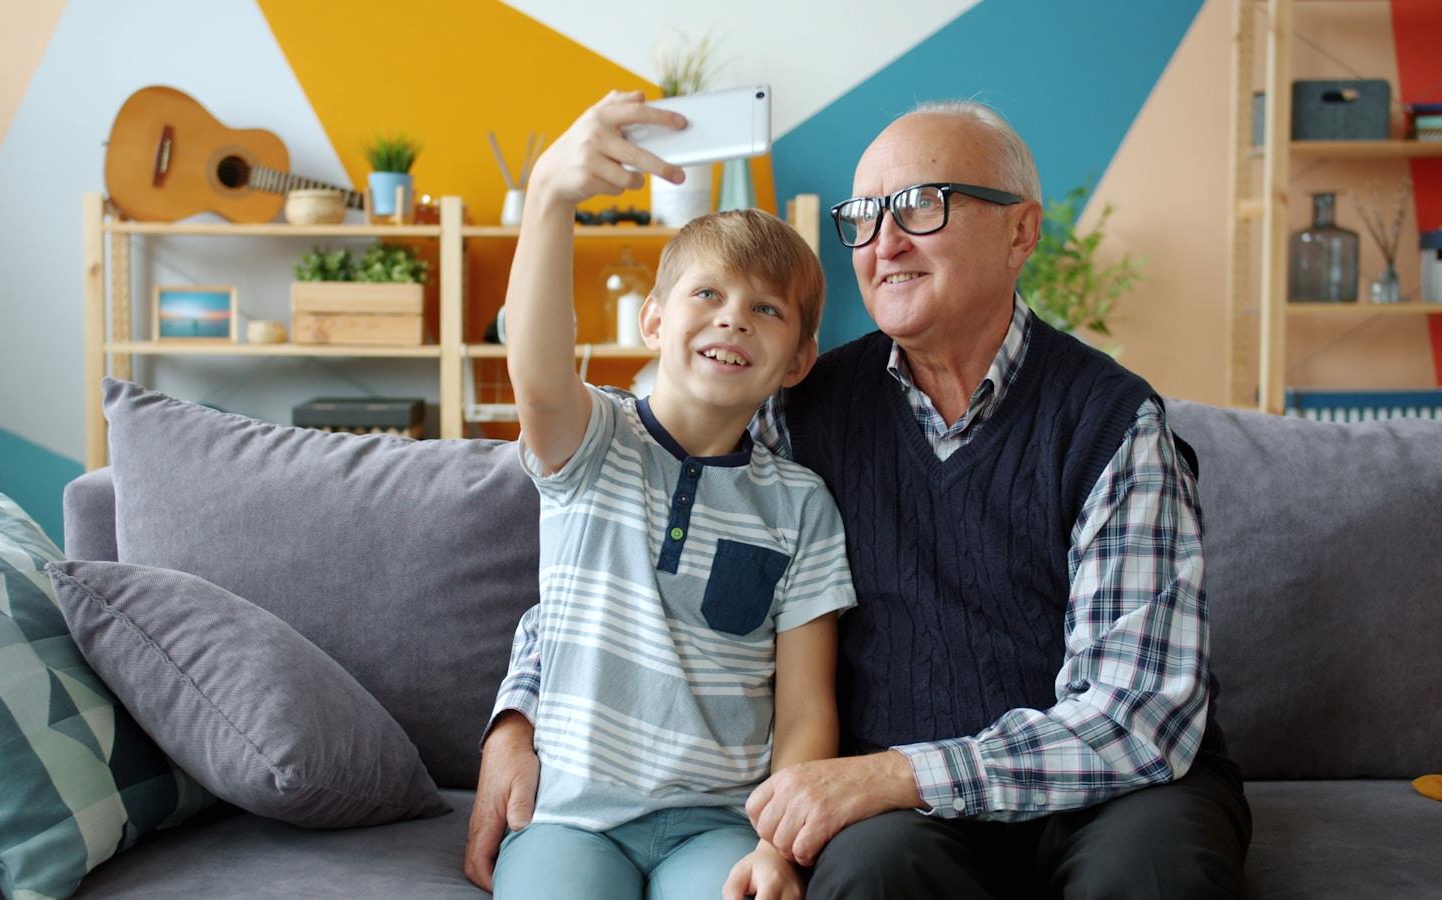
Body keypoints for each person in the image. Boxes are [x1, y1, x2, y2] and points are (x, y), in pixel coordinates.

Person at [467, 97, 1253, 898]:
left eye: (921, 204)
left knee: (1156, 876)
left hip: (1104, 797)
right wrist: (519, 717)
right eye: (866, 216)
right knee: (867, 877)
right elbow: (622, 558)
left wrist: (896, 776)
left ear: (1020, 231)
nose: (886, 241)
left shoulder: (1113, 424)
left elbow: (1139, 714)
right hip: (901, 812)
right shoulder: (796, 412)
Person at [477, 90, 857, 900]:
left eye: (766, 309)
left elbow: (804, 711)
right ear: (653, 321)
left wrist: (776, 847)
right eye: (707, 295)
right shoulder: (592, 441)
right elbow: (538, 375)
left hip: (718, 823)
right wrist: (550, 196)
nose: (734, 321)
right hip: (571, 819)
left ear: (797, 360)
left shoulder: (802, 506)